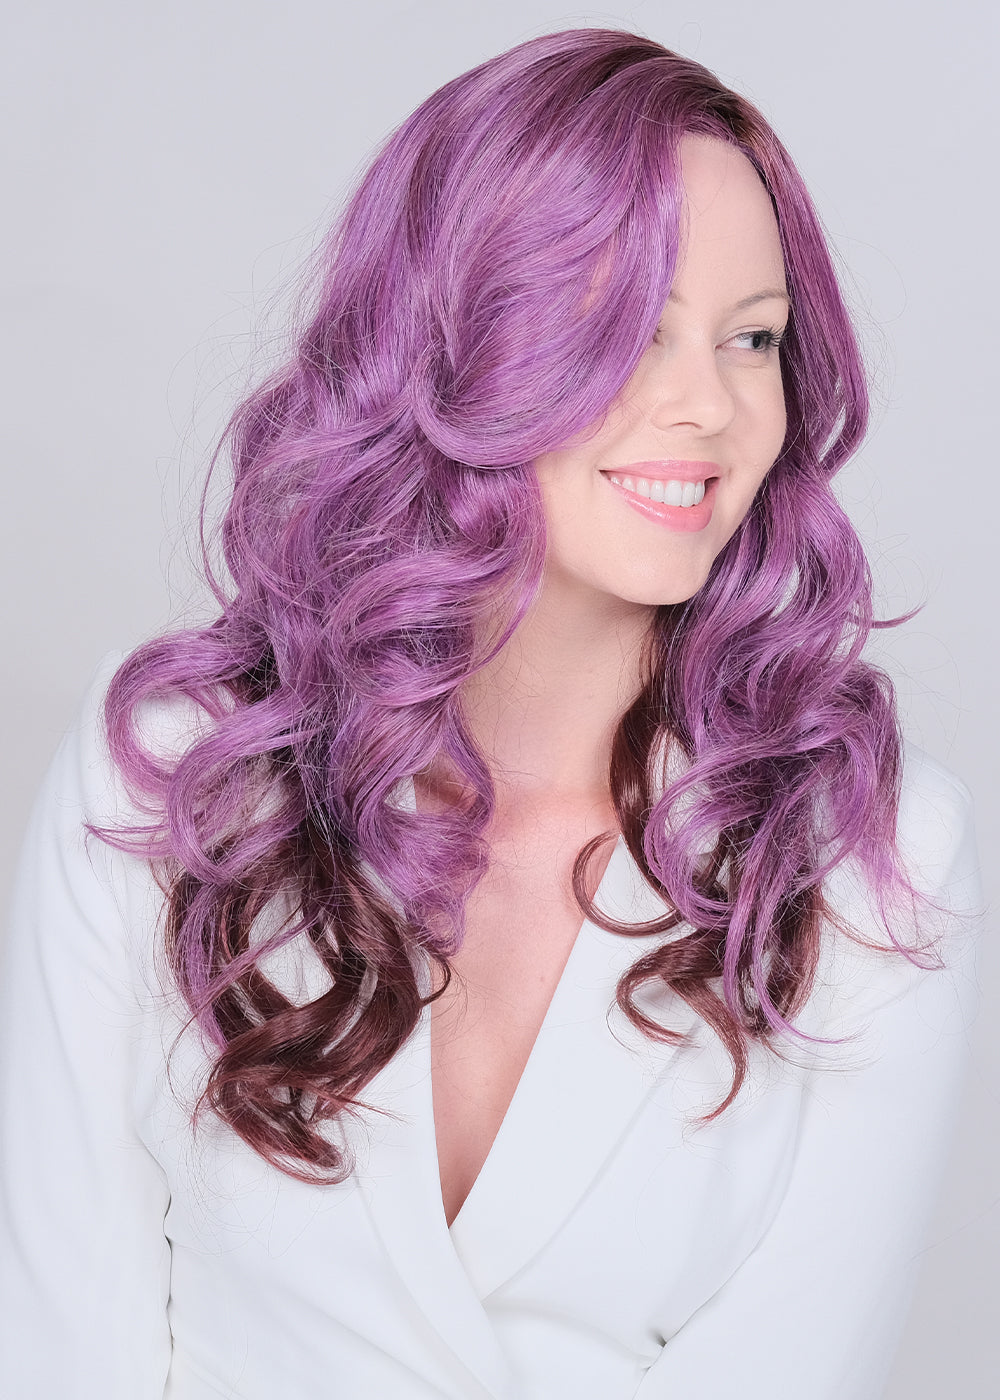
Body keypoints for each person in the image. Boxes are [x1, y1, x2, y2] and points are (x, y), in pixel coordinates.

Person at [0, 28, 984, 1400]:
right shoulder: (167, 781)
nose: (708, 405)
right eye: (625, 327)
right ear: (451, 338)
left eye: (752, 337)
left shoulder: (872, 858)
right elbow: (59, 1346)